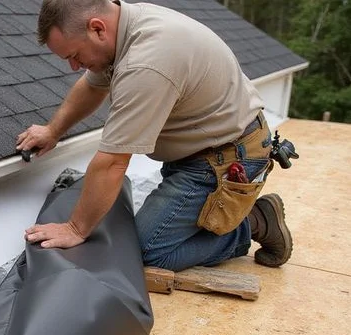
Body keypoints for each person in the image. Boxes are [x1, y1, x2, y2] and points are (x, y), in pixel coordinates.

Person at [16, 0, 293, 271]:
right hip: (205, 150)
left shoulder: (146, 62)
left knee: (148, 251)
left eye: (74, 55)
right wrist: (53, 130)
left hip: (225, 161)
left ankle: (255, 222)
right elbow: (91, 86)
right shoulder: (125, 29)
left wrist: (75, 228)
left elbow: (113, 161)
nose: (74, 66)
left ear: (97, 29)